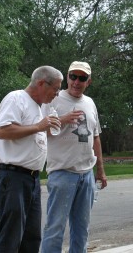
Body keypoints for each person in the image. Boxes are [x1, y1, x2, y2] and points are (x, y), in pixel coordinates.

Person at [0, 65, 63, 253]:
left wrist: (45, 128)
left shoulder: (40, 108)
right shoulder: (16, 99)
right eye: (55, 89)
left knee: (31, 238)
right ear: (41, 83)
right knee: (11, 237)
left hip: (32, 179)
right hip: (13, 177)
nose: (56, 94)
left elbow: (33, 135)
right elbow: (2, 131)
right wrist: (38, 127)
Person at [41, 61, 108, 253]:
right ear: (67, 77)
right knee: (55, 228)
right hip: (62, 173)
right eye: (73, 77)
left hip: (86, 174)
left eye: (82, 78)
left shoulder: (90, 103)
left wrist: (100, 171)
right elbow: (38, 131)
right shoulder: (54, 100)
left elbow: (95, 137)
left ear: (89, 81)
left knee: (81, 229)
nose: (76, 82)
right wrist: (62, 120)